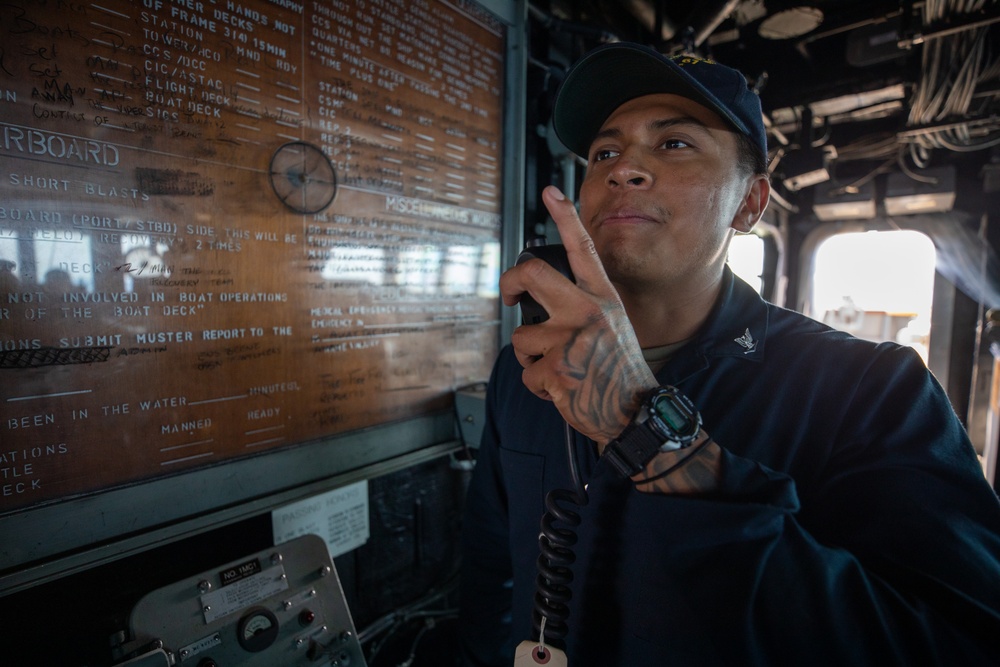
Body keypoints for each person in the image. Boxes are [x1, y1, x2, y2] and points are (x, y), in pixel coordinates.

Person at [458, 42, 1000, 666]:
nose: (623, 169)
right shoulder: (525, 368)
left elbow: (958, 643)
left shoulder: (872, 390)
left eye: (674, 144)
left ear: (749, 203)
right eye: (605, 152)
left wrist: (653, 433)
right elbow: (490, 569)